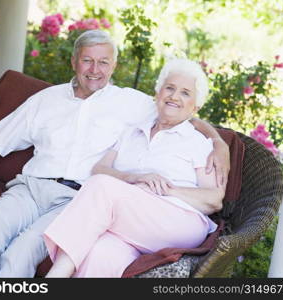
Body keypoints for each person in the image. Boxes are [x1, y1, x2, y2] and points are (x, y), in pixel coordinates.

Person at [0, 30, 229, 278]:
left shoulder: (131, 102)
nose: (94, 69)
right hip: (29, 189)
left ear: (113, 66)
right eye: (87, 60)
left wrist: (219, 143)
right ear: (74, 61)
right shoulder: (45, 99)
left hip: (76, 200)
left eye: (103, 62)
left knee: (22, 250)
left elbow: (179, 110)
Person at [43, 57, 225, 278]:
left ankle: (54, 277)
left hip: (179, 222)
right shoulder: (133, 132)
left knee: (101, 187)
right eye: (169, 88)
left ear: (195, 106)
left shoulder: (197, 142)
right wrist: (133, 178)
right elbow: (100, 169)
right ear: (157, 94)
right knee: (100, 252)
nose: (174, 96)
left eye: (185, 93)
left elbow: (214, 199)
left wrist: (165, 189)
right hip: (131, 222)